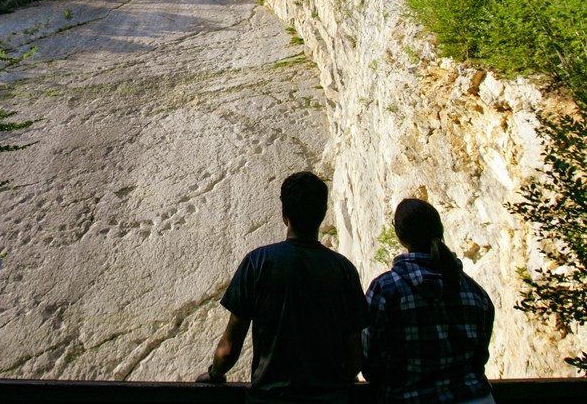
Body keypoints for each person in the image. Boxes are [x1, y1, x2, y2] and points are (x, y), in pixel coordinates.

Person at [196, 171, 369, 404]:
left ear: (284, 214)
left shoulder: (257, 263)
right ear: (323, 213)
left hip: (270, 399)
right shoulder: (344, 270)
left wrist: (214, 373)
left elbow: (228, 349)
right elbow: (354, 356)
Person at [362, 198, 495, 404]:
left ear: (400, 236)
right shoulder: (475, 292)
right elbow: (480, 356)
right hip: (475, 397)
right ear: (439, 230)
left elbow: (371, 360)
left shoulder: (386, 290)